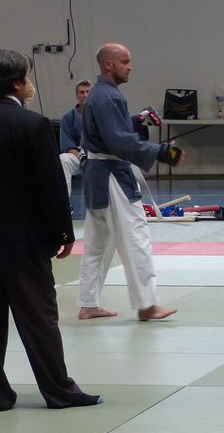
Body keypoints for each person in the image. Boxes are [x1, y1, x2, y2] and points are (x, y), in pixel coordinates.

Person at [0, 49, 100, 412]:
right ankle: (59, 391)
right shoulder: (32, 125)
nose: (30, 85)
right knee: (40, 320)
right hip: (24, 243)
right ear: (16, 82)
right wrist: (63, 233)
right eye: (27, 78)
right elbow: (50, 187)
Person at [77, 43, 183, 322]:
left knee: (98, 243)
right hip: (111, 176)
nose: (130, 66)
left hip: (96, 175)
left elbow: (111, 130)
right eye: (125, 61)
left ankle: (88, 303)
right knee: (136, 237)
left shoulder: (100, 95)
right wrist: (160, 152)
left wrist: (136, 120)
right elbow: (118, 141)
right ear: (108, 65)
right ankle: (147, 305)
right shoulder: (108, 96)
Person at [59, 80, 92, 198]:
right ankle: (65, 204)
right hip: (79, 156)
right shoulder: (67, 119)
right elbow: (66, 145)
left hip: (98, 156)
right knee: (63, 159)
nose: (85, 95)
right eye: (82, 92)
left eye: (88, 92)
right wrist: (81, 157)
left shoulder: (102, 114)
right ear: (77, 96)